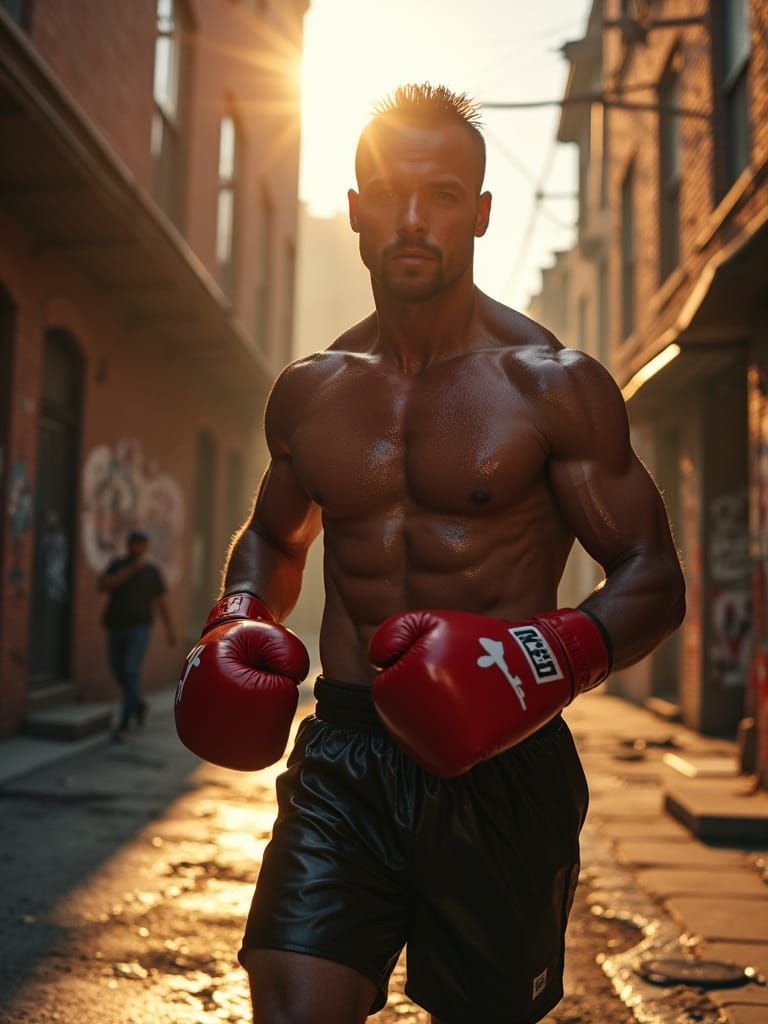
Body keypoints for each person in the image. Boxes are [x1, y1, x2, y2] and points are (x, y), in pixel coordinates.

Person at [174, 84, 685, 1024]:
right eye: (388, 192)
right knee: (289, 1008)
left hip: (501, 760)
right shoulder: (311, 393)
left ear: (481, 213)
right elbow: (273, 540)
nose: (413, 219)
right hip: (345, 750)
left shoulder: (554, 386)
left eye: (444, 194)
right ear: (357, 207)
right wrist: (238, 615)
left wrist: (536, 659)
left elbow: (654, 576)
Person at [100, 529, 175, 741]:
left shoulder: (152, 572)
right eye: (135, 544)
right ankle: (139, 704)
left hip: (139, 629)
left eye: (142, 545)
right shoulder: (118, 565)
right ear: (129, 545)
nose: (138, 548)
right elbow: (104, 585)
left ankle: (124, 725)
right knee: (118, 672)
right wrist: (130, 571)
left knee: (131, 672)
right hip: (115, 628)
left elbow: (161, 603)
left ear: (146, 547)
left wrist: (170, 630)